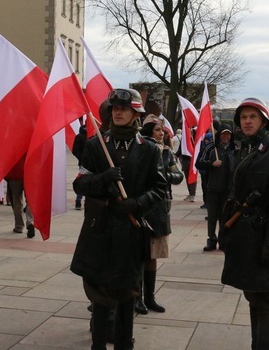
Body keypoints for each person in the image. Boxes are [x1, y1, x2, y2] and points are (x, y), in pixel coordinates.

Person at [70, 88, 167, 349]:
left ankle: (125, 342)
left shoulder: (148, 150)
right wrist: (103, 180)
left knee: (127, 293)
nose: (118, 113)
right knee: (100, 295)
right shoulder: (96, 144)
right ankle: (98, 344)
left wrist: (136, 204)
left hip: (130, 231)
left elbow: (160, 188)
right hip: (100, 230)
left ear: (135, 113)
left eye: (124, 109)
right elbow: (80, 185)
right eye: (114, 109)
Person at [220, 98, 269, 350]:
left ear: (264, 121)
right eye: (243, 117)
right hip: (243, 236)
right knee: (253, 294)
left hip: (263, 238)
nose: (247, 121)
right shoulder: (246, 149)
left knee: (265, 298)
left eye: (252, 116)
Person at [137, 114, 183, 314]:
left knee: (153, 255)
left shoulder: (167, 152)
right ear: (149, 132)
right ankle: (136, 297)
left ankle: (150, 297)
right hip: (143, 206)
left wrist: (163, 175)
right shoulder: (140, 149)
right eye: (158, 130)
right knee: (139, 254)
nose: (162, 134)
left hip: (160, 208)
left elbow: (178, 175)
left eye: (163, 131)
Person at [196, 124, 236, 252]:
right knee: (212, 217)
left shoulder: (234, 149)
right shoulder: (210, 148)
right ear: (219, 135)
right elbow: (198, 163)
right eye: (224, 134)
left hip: (228, 191)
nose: (226, 137)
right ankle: (212, 240)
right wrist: (211, 164)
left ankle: (223, 241)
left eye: (228, 134)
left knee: (225, 218)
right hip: (212, 189)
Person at [6, 154, 35, 238]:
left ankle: (19, 226)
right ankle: (30, 222)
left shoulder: (12, 145)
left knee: (17, 201)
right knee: (30, 200)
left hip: (15, 174)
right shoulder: (29, 143)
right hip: (28, 173)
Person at [72, 123, 87, 210]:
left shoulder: (94, 135)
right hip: (83, 163)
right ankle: (78, 200)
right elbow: (75, 150)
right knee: (82, 181)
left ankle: (86, 201)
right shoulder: (80, 136)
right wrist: (82, 158)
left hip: (93, 162)